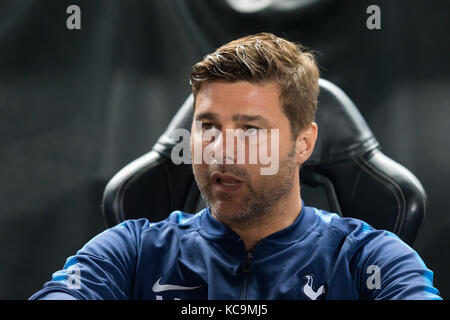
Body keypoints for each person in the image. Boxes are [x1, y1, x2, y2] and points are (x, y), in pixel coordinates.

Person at [30, 33, 441, 300]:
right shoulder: (134, 250)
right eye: (208, 126)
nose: (221, 150)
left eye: (249, 129)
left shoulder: (371, 258)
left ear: (304, 142)